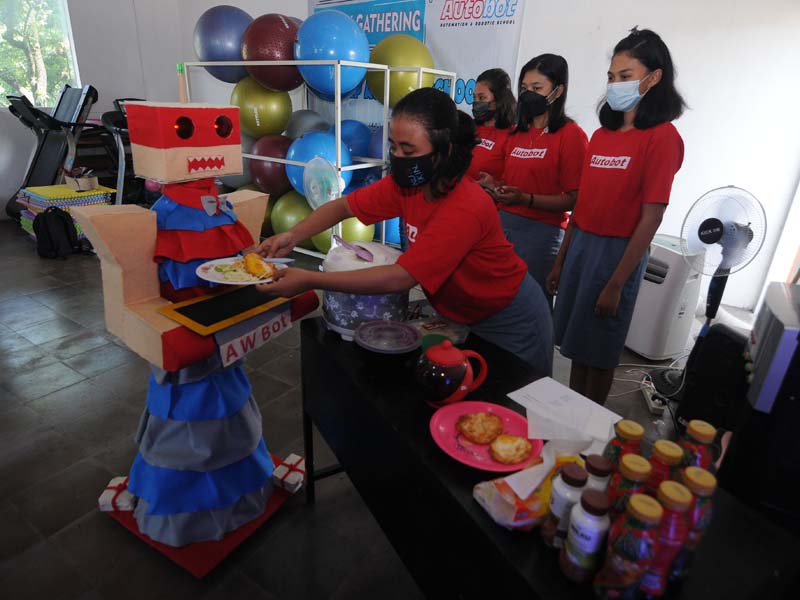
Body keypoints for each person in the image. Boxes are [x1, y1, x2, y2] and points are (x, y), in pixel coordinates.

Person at [255, 87, 553, 375]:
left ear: (444, 150)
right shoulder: (407, 185)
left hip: (510, 320)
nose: (397, 157)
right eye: (393, 147)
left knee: (514, 410)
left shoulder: (466, 206)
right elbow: (344, 207)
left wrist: (311, 279)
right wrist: (292, 235)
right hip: (458, 315)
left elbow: (401, 277)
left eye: (408, 150)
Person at [548, 28, 686, 405]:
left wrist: (616, 283)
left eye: (625, 76)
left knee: (602, 347)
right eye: (612, 76)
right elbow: (583, 205)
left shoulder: (662, 138)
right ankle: (574, 414)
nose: (615, 84)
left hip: (617, 254)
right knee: (578, 345)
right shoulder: (603, 136)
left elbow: (651, 217)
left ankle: (592, 419)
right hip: (580, 247)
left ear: (653, 78)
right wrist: (561, 260)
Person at [479, 55, 588, 305]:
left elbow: (575, 199)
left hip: (541, 235)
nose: (529, 95)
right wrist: (495, 186)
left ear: (558, 91)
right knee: (493, 302)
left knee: (530, 306)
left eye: (537, 89)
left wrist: (526, 200)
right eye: (525, 89)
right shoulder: (518, 132)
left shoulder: (571, 136)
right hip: (502, 226)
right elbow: (512, 180)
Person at [465, 68, 516, 184]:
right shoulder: (470, 128)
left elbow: (514, 181)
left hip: (489, 200)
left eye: (482, 98)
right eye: (474, 98)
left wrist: (493, 184)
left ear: (499, 100)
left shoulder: (512, 135)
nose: (476, 102)